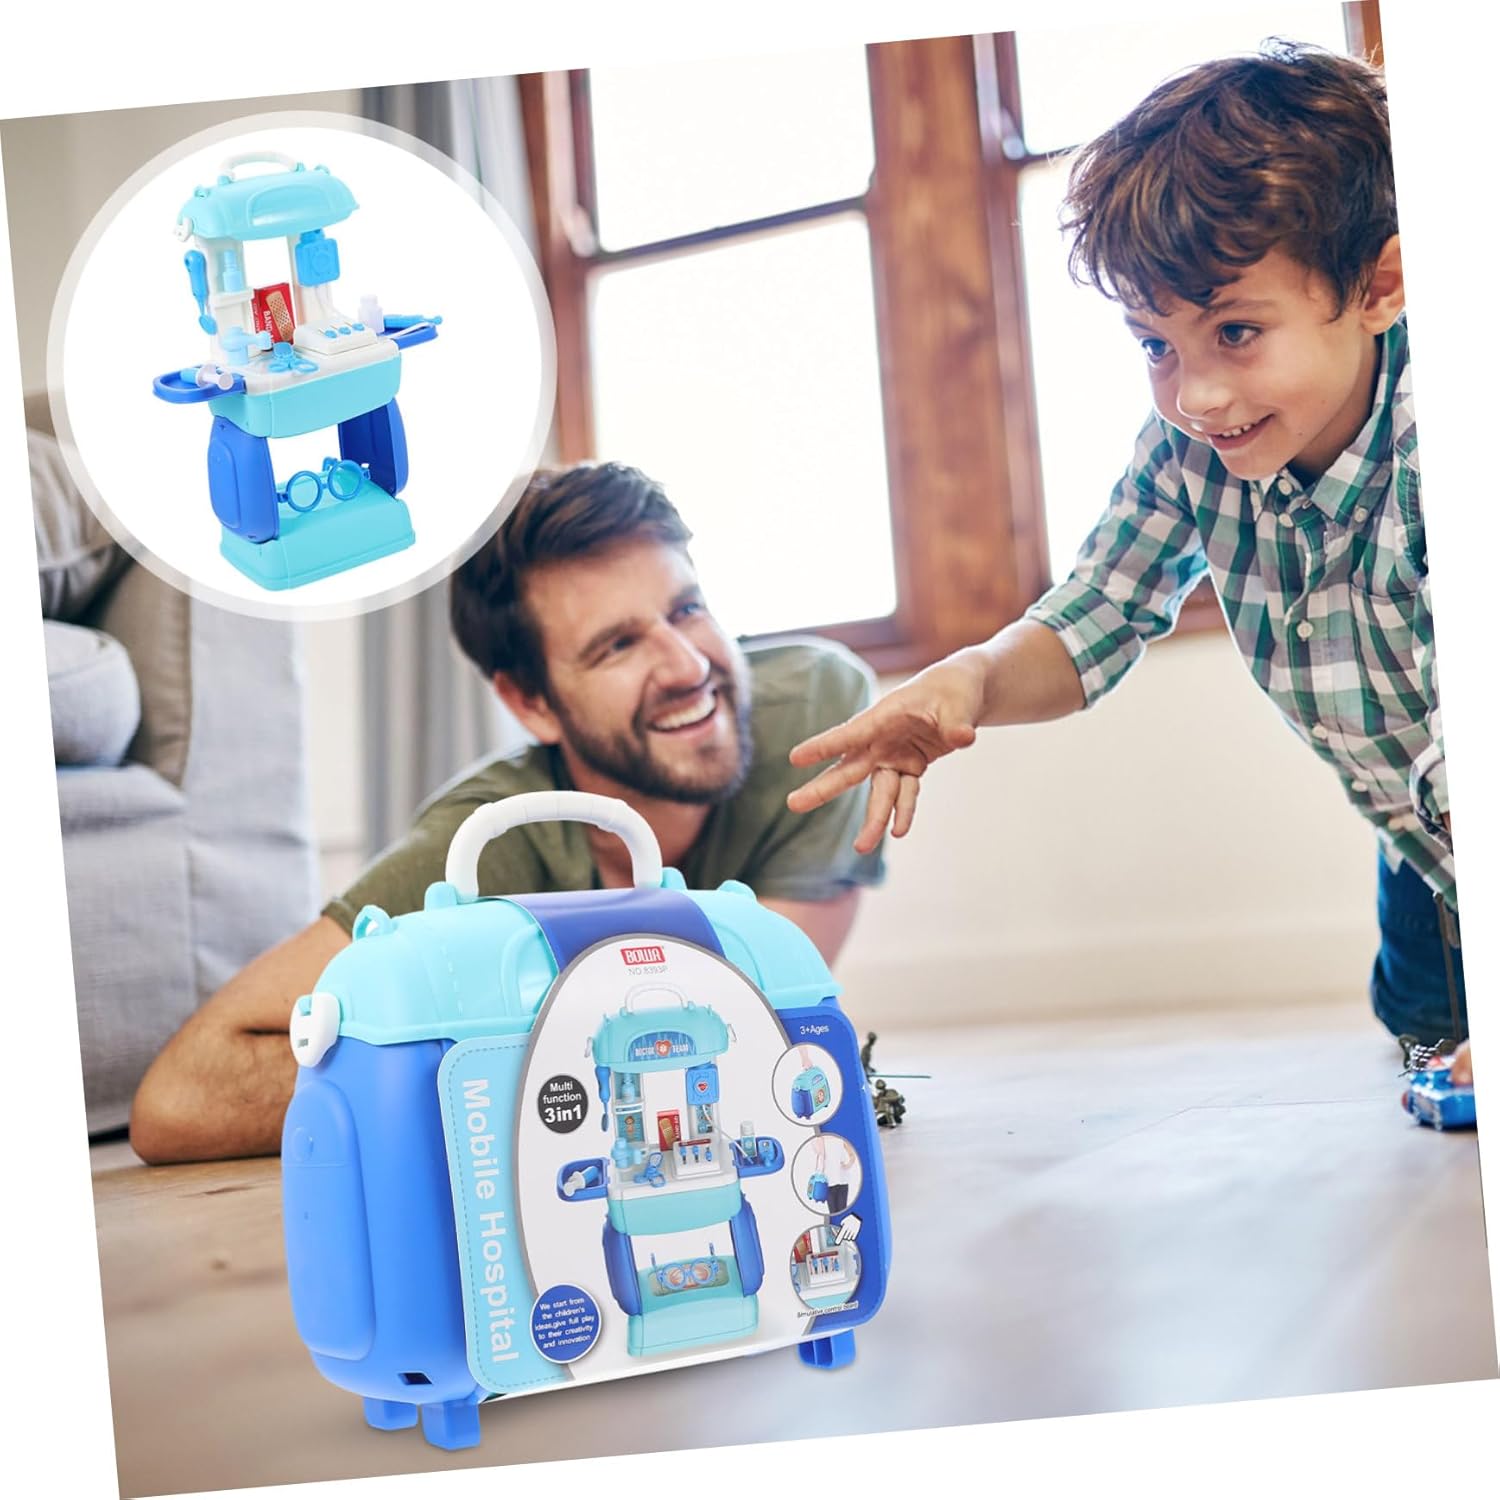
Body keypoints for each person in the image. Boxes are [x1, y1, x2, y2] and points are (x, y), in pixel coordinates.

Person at [786, 42, 1471, 1084]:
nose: (1195, 395)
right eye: (1156, 345)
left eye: (1236, 332)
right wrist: (971, 677)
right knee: (1424, 1034)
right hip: (1423, 844)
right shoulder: (1193, 449)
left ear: (1379, 287)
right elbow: (1097, 613)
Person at [130, 462, 884, 1163]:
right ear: (530, 703)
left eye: (686, 609)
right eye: (618, 646)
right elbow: (181, 1097)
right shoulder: (483, 847)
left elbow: (762, 1023)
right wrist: (483, 1084)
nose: (688, 667)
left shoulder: (819, 719)